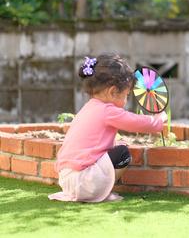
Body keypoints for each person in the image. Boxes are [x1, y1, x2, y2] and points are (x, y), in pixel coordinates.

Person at [48, 53, 167, 203]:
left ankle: (95, 190)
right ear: (112, 92)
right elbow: (135, 122)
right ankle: (102, 191)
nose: (126, 101)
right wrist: (159, 120)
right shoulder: (107, 111)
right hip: (85, 182)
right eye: (126, 95)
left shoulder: (88, 108)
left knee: (118, 146)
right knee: (122, 153)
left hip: (67, 180)